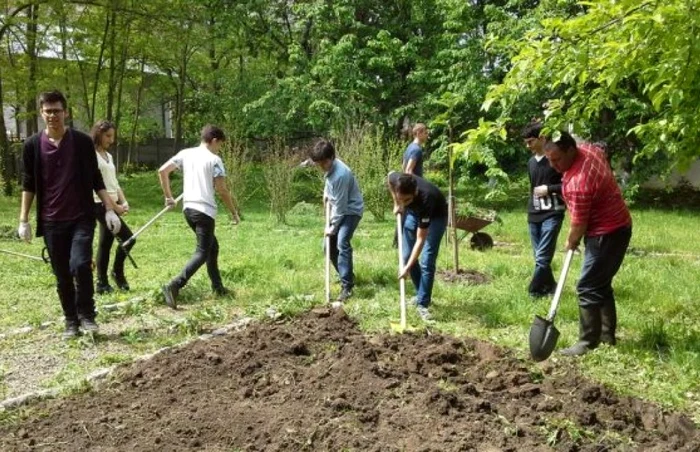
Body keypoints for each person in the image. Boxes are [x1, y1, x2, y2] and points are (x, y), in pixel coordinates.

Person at [18, 90, 122, 339]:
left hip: (81, 218)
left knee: (80, 265)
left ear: (66, 112)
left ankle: (87, 316)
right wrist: (23, 220)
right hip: (51, 221)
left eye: (57, 110)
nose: (53, 115)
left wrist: (110, 208)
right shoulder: (32, 145)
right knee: (62, 274)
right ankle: (71, 321)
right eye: (48, 111)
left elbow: (95, 178)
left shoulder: (82, 142)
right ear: (42, 113)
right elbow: (28, 183)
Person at [544, 131, 632, 356]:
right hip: (620, 225)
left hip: (606, 233)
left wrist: (571, 241)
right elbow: (602, 149)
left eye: (557, 160)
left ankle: (587, 342)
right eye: (549, 161)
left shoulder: (578, 183)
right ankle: (606, 335)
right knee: (600, 283)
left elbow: (579, 225)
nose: (553, 166)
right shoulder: (590, 150)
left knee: (587, 286)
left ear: (571, 150)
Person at [158, 125, 241, 308]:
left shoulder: (186, 153)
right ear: (214, 141)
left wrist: (168, 196)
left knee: (212, 247)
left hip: (188, 209)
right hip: (204, 211)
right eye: (220, 145)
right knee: (202, 252)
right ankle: (174, 285)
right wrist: (234, 212)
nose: (219, 149)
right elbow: (221, 189)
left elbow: (163, 171)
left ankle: (218, 288)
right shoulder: (215, 160)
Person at [309, 139, 364, 303]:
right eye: (319, 163)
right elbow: (328, 182)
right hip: (340, 210)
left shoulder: (341, 174)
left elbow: (340, 207)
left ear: (332, 157)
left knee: (341, 242)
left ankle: (347, 286)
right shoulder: (330, 167)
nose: (321, 167)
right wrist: (326, 194)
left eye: (324, 163)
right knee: (327, 247)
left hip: (351, 211)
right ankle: (345, 273)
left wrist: (332, 227)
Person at [387, 172, 448, 321]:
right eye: (401, 198)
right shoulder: (397, 181)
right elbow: (389, 177)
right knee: (406, 256)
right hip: (414, 213)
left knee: (427, 260)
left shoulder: (426, 198)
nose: (404, 203)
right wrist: (397, 203)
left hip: (436, 216)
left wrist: (407, 268)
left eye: (406, 200)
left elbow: (421, 239)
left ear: (415, 192)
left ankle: (423, 304)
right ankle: (421, 292)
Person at [521, 122, 566, 298]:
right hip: (534, 214)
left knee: (542, 257)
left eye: (530, 141)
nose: (528, 146)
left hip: (553, 213)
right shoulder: (531, 162)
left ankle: (534, 291)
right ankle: (550, 287)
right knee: (540, 257)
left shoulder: (555, 159)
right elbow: (532, 187)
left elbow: (569, 185)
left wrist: (549, 189)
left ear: (542, 138)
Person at [91, 120, 135, 294]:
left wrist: (123, 202)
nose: (111, 140)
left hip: (114, 204)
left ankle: (101, 282)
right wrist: (115, 208)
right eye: (107, 136)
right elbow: (97, 184)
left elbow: (114, 183)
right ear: (98, 134)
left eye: (112, 137)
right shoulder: (91, 155)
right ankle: (117, 272)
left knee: (105, 244)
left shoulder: (108, 157)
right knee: (129, 238)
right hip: (100, 204)